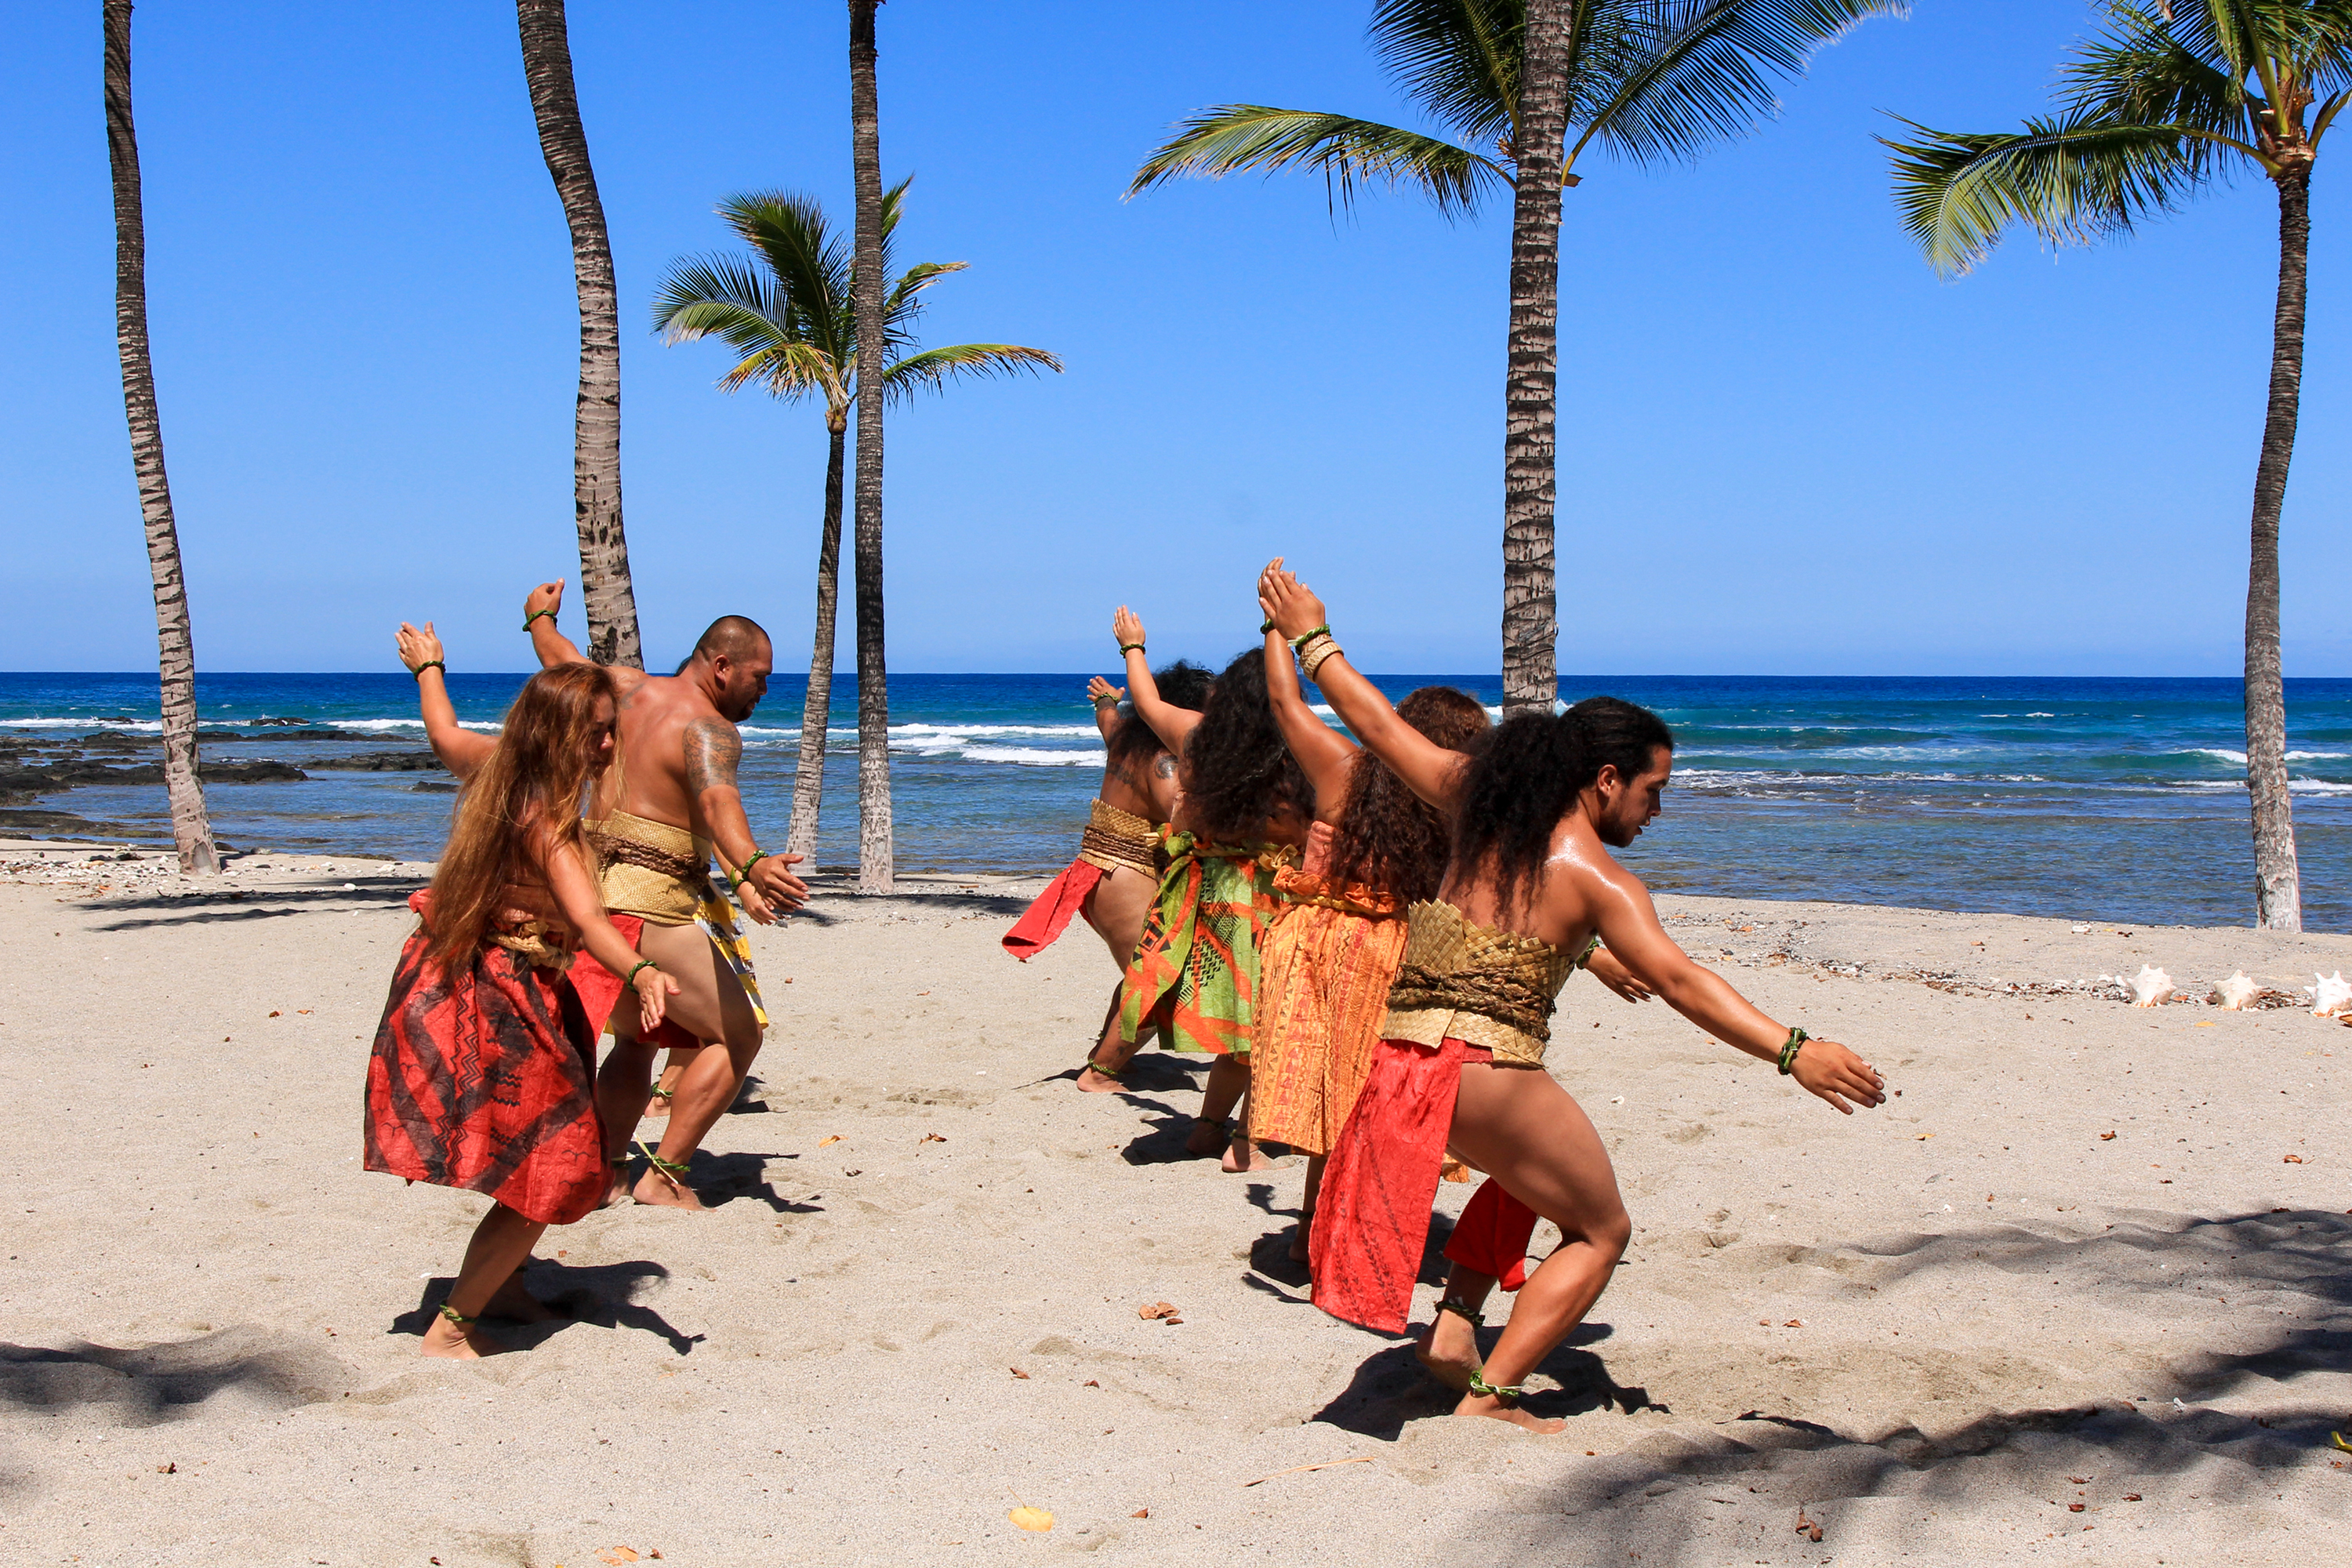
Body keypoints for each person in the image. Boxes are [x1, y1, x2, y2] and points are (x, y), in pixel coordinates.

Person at [1258, 562, 1887, 1432]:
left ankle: (1452, 1325)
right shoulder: (1600, 877)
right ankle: (1496, 1392)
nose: (1658, 808)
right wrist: (1793, 1049)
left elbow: (1370, 717)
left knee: (1530, 1177)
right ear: (1603, 778)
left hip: (1401, 1060)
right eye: (1652, 788)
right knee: (1601, 1229)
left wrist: (1311, 631)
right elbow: (1682, 980)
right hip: (1488, 1068)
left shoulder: (1470, 799)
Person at [368, 628, 677, 1358]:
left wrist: (431, 668)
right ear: (560, 734)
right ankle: (454, 1329)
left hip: (459, 979)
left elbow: (441, 731)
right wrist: (639, 970)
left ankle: (502, 1287)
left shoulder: (494, 768)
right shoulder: (551, 823)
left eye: (613, 733)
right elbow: (589, 919)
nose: (610, 747)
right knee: (554, 1160)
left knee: (526, 1152)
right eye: (599, 736)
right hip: (504, 996)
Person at [522, 580, 809, 1210]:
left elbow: (558, 658)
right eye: (760, 677)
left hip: (591, 901)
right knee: (737, 1037)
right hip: (651, 906)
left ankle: (604, 1172)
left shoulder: (624, 688)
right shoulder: (709, 728)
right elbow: (717, 800)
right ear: (722, 666)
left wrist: (539, 617)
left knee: (638, 1042)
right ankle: (665, 1175)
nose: (765, 690)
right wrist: (754, 863)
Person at [1248, 620, 1492, 1261]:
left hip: (1308, 943)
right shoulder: (1451, 800)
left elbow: (1284, 701)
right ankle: (1354, 1236)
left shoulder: (1343, 768)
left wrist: (1274, 626)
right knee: (1371, 1099)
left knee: (1332, 1093)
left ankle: (1309, 1232)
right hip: (1387, 954)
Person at [1102, 608, 1312, 1169]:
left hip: (1208, 902)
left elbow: (1145, 704)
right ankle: (1245, 1146)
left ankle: (1205, 1131)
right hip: (1266, 905)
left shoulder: (1196, 738)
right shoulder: (1293, 762)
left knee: (1242, 1033)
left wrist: (1134, 647)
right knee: (1268, 1029)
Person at [1003, 664, 1215, 1091]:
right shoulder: (1166, 762)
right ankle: (1100, 1074)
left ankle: (1108, 1053)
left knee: (1144, 969)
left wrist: (1106, 698)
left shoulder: (1125, 736)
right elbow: (1186, 820)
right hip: (1125, 876)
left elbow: (1107, 717)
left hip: (1098, 872)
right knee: (1160, 981)